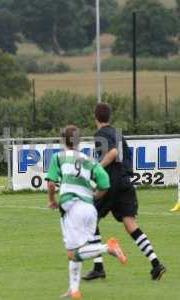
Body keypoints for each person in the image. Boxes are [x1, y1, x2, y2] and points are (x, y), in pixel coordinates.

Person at [82, 103, 166, 281]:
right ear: (109, 117)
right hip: (125, 183)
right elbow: (123, 155)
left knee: (90, 218)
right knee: (131, 225)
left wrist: (96, 167)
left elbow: (112, 153)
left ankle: (98, 267)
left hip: (112, 184)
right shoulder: (118, 133)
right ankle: (156, 263)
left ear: (95, 117)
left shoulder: (101, 134)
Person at [46, 125, 127, 299]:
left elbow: (51, 183)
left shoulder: (58, 157)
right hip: (89, 209)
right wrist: (94, 196)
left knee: (73, 253)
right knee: (77, 250)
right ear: (79, 141)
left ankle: (109, 247)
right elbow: (105, 182)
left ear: (63, 141)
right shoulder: (88, 160)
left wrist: (51, 200)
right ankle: (73, 289)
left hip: (72, 207)